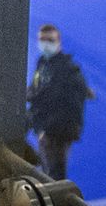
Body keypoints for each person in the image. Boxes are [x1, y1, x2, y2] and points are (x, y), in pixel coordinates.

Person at [27, 24, 95, 179]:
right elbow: (37, 88)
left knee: (55, 174)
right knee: (46, 171)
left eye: (49, 40)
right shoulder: (43, 63)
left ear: (58, 42)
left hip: (58, 131)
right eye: (42, 39)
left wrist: (47, 130)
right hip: (45, 127)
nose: (45, 43)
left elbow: (66, 103)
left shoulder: (67, 69)